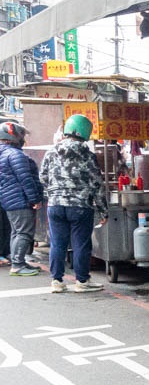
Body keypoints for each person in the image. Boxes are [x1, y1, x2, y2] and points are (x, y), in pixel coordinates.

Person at [40, 114, 108, 293]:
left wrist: (54, 192)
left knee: (57, 243)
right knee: (81, 244)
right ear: (86, 132)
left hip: (55, 205)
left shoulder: (51, 152)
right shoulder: (87, 155)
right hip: (80, 206)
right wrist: (103, 210)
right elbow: (97, 184)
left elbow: (43, 177)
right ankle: (82, 281)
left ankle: (56, 281)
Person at [0, 122, 44, 276]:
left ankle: (18, 261)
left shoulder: (4, 154)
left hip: (9, 200)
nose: (23, 139)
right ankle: (18, 265)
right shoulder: (15, 155)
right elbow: (26, 180)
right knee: (24, 233)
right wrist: (35, 199)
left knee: (16, 232)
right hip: (20, 200)